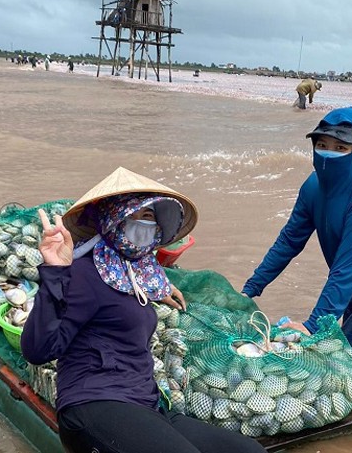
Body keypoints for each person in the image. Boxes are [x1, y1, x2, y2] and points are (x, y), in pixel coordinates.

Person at [21, 167, 267, 453]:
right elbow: (38, 350)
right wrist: (56, 272)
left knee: (250, 451)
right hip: (94, 402)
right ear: (113, 219)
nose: (143, 224)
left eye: (149, 216)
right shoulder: (84, 274)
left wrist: (162, 291)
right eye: (133, 215)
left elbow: (133, 293)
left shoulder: (137, 273)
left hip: (145, 404)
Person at [241, 107, 352, 382]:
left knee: (343, 363)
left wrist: (312, 326)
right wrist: (251, 288)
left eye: (340, 147)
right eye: (322, 144)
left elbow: (345, 271)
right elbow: (289, 241)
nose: (328, 153)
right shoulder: (313, 187)